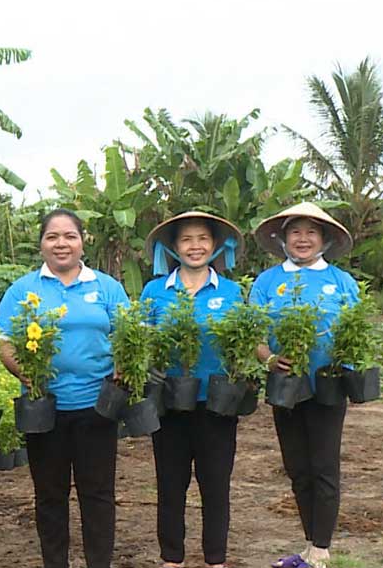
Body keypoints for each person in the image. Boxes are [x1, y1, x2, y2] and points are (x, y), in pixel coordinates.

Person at [0, 208, 130, 568]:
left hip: (97, 407)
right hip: (44, 409)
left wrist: (122, 367)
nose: (61, 244)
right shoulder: (23, 290)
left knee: (97, 494)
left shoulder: (106, 287)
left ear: (83, 242)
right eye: (52, 236)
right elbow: (5, 341)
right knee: (49, 495)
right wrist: (25, 372)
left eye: (70, 236)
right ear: (41, 244)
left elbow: (126, 335)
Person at [250, 203, 360, 568]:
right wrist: (268, 358)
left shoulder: (341, 282)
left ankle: (321, 549)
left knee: (324, 466)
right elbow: (254, 332)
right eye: (295, 231)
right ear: (283, 238)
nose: (303, 239)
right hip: (286, 385)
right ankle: (311, 544)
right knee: (297, 467)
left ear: (324, 239)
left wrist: (345, 363)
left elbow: (356, 330)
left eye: (311, 232)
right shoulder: (268, 282)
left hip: (328, 386)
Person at [141, 211, 245, 568]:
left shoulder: (231, 292)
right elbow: (143, 342)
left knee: (215, 486)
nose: (195, 246)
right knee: (171, 485)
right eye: (186, 239)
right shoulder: (155, 292)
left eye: (202, 238)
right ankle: (172, 558)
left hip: (216, 404)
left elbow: (242, 344)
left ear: (214, 245)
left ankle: (216, 559)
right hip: (168, 403)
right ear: (174, 247)